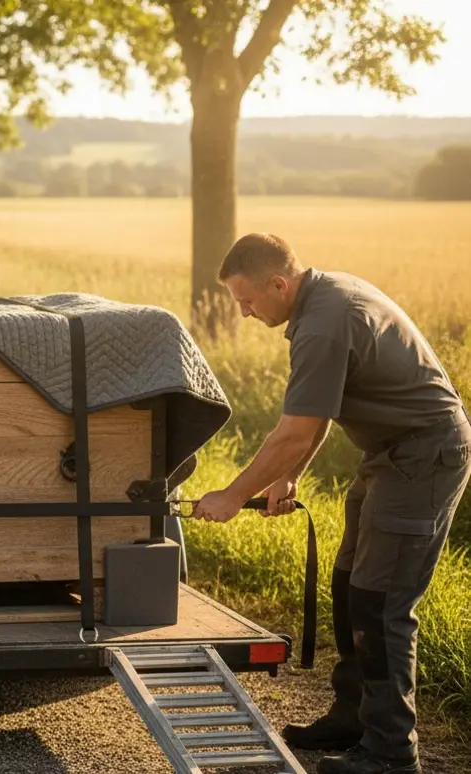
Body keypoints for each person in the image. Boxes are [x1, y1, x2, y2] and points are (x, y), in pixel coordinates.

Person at [190, 233, 470, 774]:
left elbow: (294, 432)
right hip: (389, 454)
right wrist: (288, 476)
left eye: (246, 300)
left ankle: (391, 753)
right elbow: (316, 417)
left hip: (423, 456)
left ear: (279, 282)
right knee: (349, 586)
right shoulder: (322, 300)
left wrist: (233, 494)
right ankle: (355, 718)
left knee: (380, 604)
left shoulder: (323, 323)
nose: (243, 313)